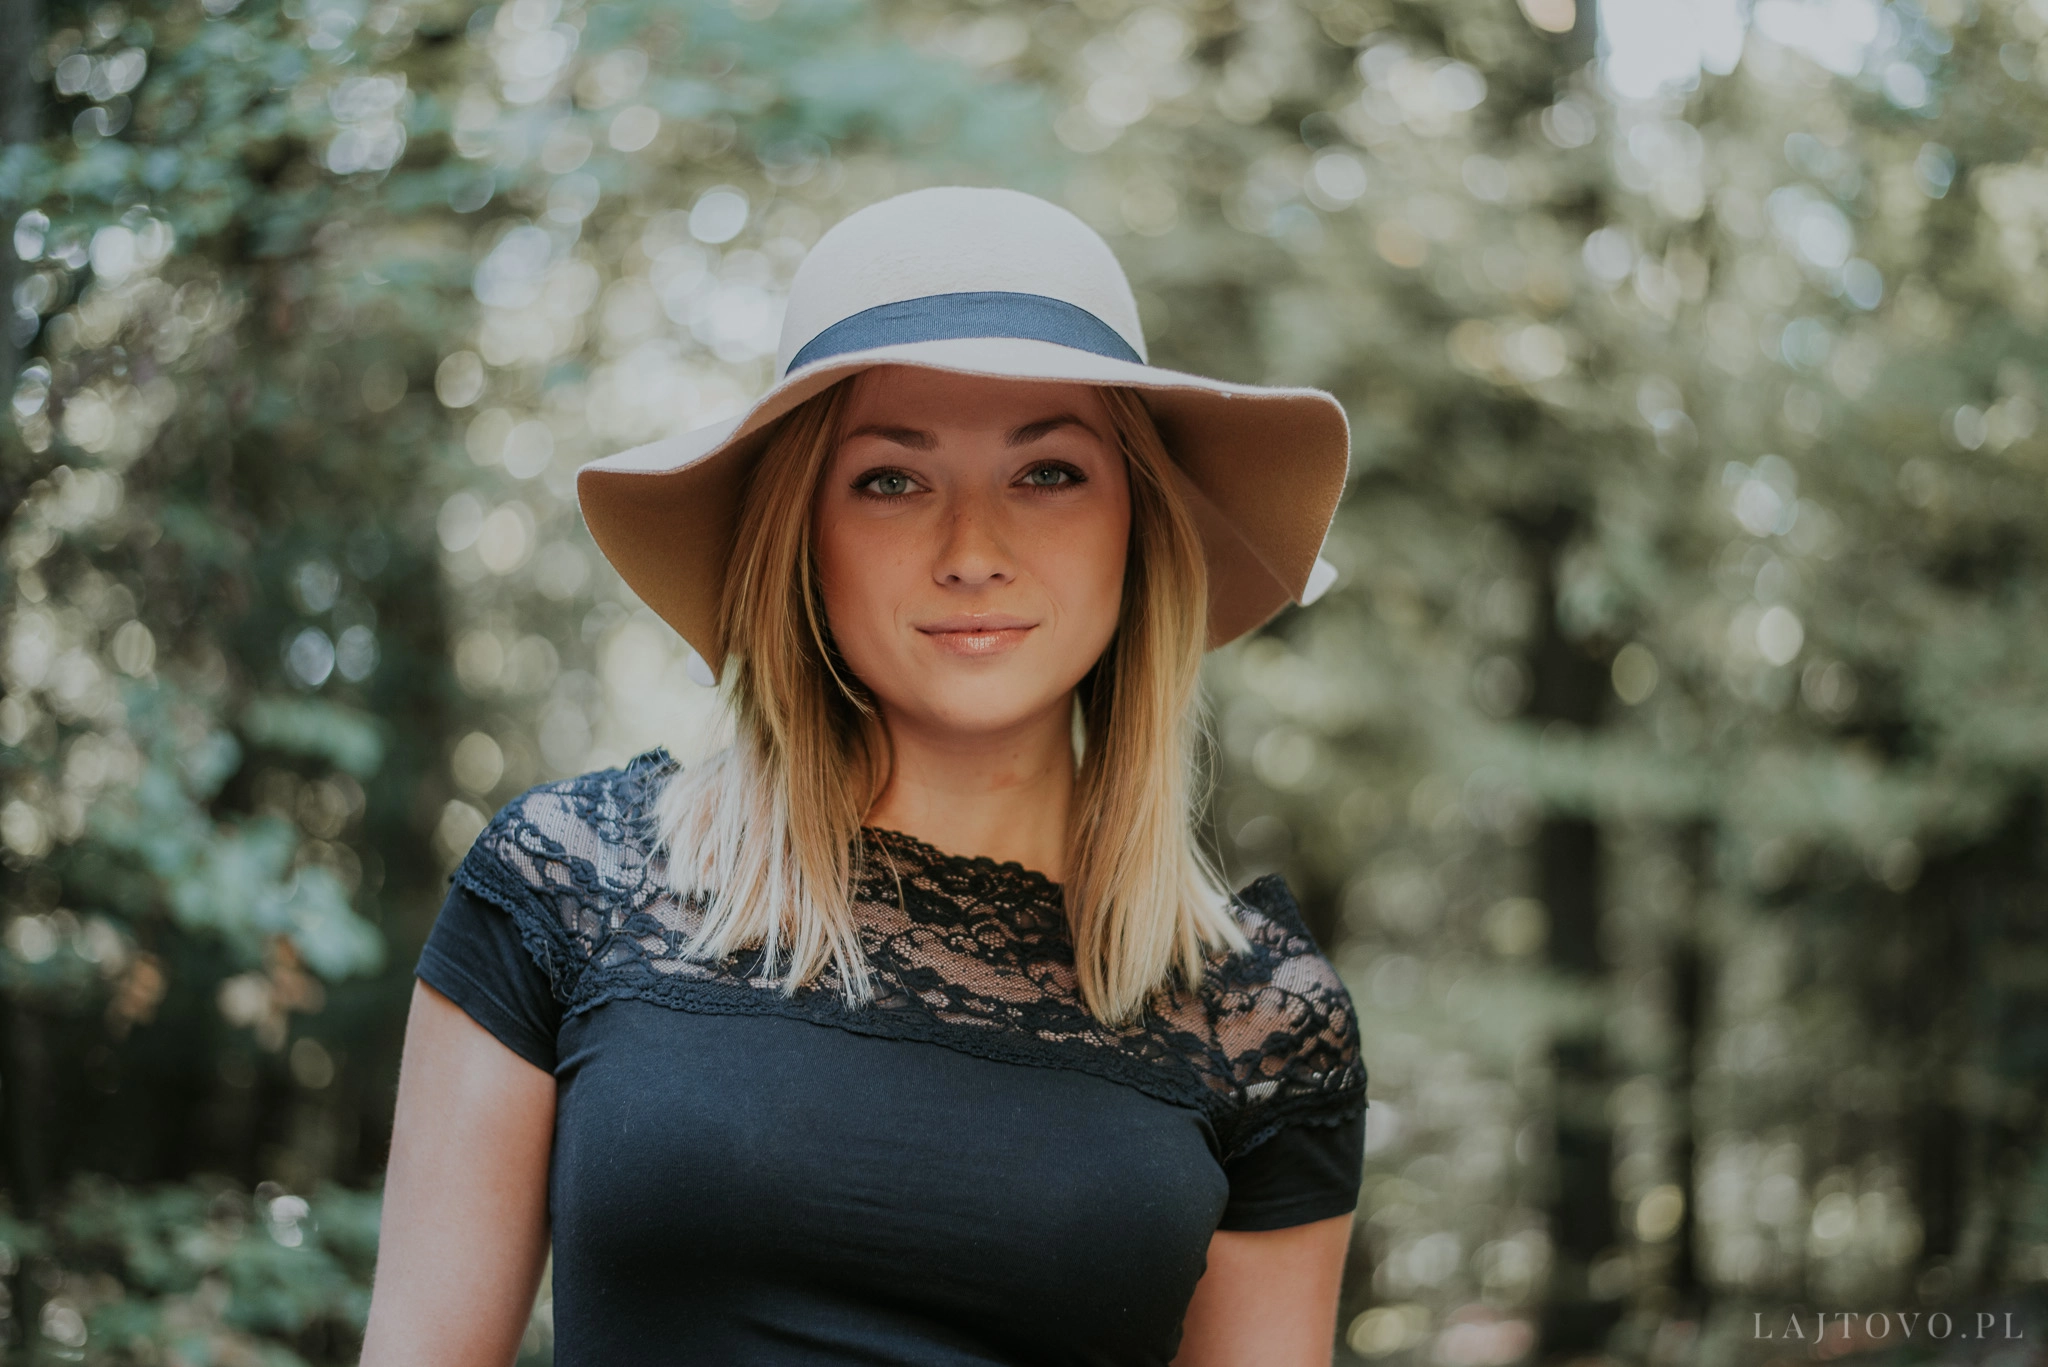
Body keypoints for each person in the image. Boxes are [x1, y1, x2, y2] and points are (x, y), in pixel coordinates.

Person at [361, 186, 1368, 1367]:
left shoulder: (1258, 1017)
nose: (973, 552)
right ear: (803, 533)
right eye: (890, 478)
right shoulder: (570, 886)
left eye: (1047, 471)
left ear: (1135, 525)